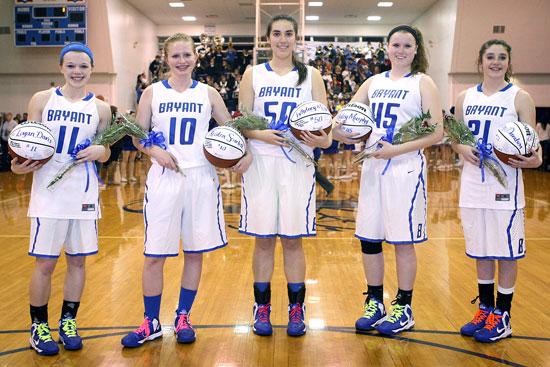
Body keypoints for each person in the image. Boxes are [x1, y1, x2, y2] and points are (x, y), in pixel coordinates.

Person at [121, 33, 251, 347]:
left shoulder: (209, 93)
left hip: (201, 177)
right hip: (164, 178)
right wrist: (154, 152)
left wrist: (243, 154)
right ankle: (150, 321)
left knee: (194, 253)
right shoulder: (151, 92)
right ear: (166, 59)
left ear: (195, 58)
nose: (181, 61)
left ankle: (183, 316)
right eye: (175, 56)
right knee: (154, 255)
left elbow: (231, 130)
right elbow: (139, 136)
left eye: (186, 55)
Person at [333, 25, 443, 335]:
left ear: (416, 50)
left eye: (408, 45)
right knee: (370, 238)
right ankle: (375, 302)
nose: (401, 50)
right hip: (372, 166)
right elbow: (347, 119)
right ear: (387, 48)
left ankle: (403, 307)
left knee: (402, 241)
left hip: (404, 168)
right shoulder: (372, 82)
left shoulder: (424, 83)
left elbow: (436, 132)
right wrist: (339, 130)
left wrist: (396, 150)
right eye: (396, 44)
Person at [11, 43, 111, 355]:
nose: (77, 71)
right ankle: (38, 326)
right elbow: (28, 145)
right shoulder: (42, 99)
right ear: (61, 68)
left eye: (83, 66)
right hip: (49, 192)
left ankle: (68, 321)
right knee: (45, 263)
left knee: (78, 261)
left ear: (92, 68)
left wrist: (100, 151)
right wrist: (17, 166)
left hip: (83, 192)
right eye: (71, 66)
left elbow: (105, 150)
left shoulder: (102, 109)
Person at [238, 14, 331, 337]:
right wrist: (261, 135)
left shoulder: (312, 76)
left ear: (296, 38)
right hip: (261, 163)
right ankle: (261, 308)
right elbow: (243, 123)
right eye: (276, 34)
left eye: (288, 34)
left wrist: (322, 139)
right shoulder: (253, 74)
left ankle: (296, 308)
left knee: (293, 239)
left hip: (298, 164)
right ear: (267, 39)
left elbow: (327, 133)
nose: (282, 39)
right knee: (263, 239)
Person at [452, 39, 541, 343]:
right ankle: (486, 309)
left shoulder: (520, 97)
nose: (496, 62)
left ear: (508, 63)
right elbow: (455, 139)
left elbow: (534, 149)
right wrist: (462, 147)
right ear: (480, 62)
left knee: (505, 251)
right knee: (481, 247)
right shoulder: (465, 97)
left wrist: (533, 160)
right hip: (472, 183)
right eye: (490, 56)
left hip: (506, 185)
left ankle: (503, 315)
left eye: (502, 57)